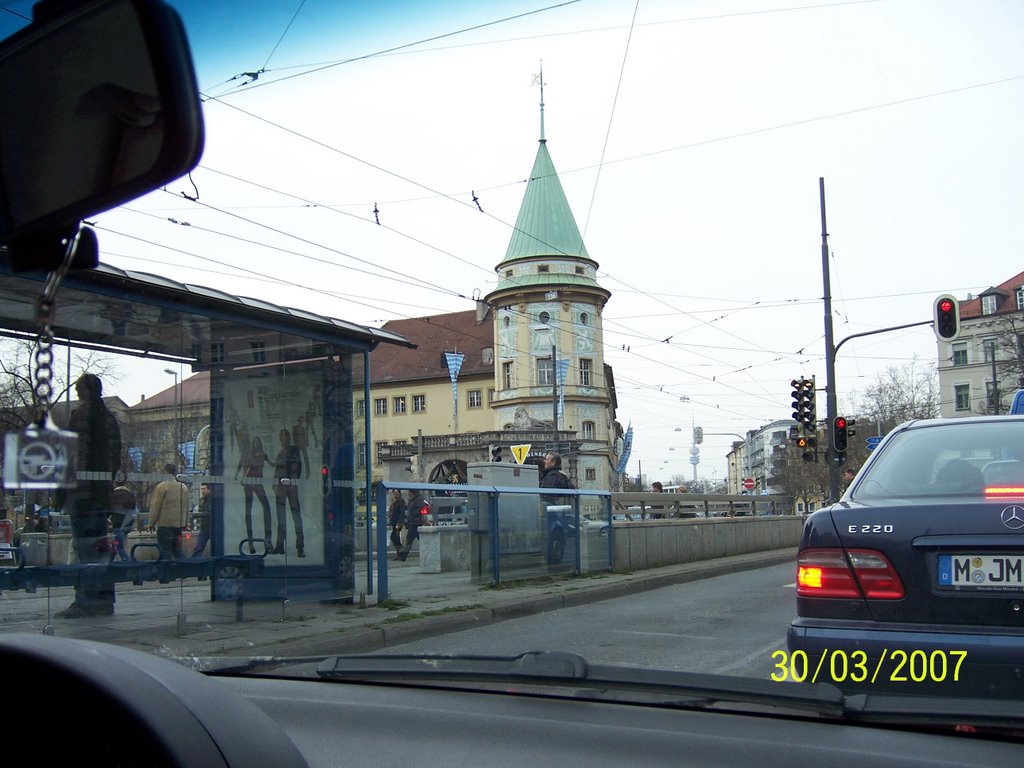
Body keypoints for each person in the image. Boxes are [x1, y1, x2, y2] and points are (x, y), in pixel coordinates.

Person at [56, 373, 121, 619]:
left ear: (84, 391)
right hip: (101, 493)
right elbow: (115, 456)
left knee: (85, 548)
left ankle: (85, 601)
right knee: (100, 548)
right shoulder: (109, 419)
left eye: (77, 389)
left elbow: (71, 456)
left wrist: (64, 488)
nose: (75, 393)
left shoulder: (80, 416)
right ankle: (104, 600)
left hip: (82, 493)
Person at [236, 435, 272, 554]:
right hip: (250, 482)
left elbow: (272, 464)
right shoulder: (250, 457)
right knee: (249, 510)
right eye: (254, 442)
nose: (256, 444)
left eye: (258, 442)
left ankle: (268, 540)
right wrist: (243, 478)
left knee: (266, 508)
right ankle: (250, 542)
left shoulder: (264, 456)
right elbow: (245, 469)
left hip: (257, 482)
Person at [273, 428, 305, 557]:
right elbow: (277, 470)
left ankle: (300, 546)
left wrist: (294, 481)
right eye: (282, 437)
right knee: (281, 518)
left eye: (286, 436)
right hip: (281, 487)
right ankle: (280, 545)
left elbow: (297, 468)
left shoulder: (294, 451)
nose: (284, 439)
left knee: (296, 516)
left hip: (291, 487)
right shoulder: (280, 453)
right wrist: (275, 484)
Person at [149, 463, 190, 559]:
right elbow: (186, 507)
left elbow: (156, 506)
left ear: (165, 472)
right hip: (178, 525)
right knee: (177, 550)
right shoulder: (183, 487)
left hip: (165, 525)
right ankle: (185, 568)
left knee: (164, 550)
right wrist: (185, 523)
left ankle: (167, 571)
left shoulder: (162, 487)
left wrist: (151, 523)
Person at [110, 484, 138, 562]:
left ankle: (128, 562)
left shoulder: (114, 495)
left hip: (118, 525)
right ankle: (110, 561)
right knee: (115, 544)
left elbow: (111, 510)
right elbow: (135, 511)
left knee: (119, 547)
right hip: (128, 525)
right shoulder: (130, 495)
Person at [398, 488, 428, 561]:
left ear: (413, 492)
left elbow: (421, 509)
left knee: (410, 538)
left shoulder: (418, 500)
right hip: (413, 522)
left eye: (409, 492)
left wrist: (413, 514)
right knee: (418, 539)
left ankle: (403, 554)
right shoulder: (412, 499)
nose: (408, 493)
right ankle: (427, 551)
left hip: (416, 523)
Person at [191, 482, 212, 557]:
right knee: (198, 547)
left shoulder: (210, 499)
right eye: (201, 489)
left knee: (199, 547)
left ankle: (194, 562)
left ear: (209, 490)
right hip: (205, 527)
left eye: (204, 489)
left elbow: (208, 512)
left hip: (210, 527)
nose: (202, 491)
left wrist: (195, 515)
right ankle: (194, 562)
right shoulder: (204, 499)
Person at [388, 488, 406, 559]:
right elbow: (391, 512)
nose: (395, 494)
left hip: (399, 523)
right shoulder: (393, 502)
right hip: (394, 522)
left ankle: (402, 552)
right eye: (394, 493)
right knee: (395, 538)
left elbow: (402, 512)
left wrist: (400, 522)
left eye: (396, 493)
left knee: (394, 536)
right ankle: (399, 554)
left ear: (399, 493)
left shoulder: (401, 501)